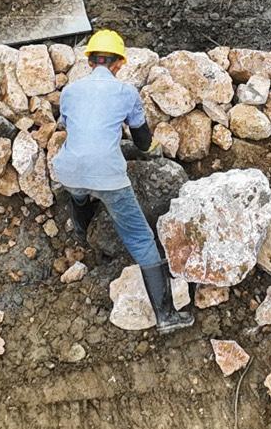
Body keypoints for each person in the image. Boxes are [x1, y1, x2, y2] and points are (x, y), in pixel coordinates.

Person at [52, 27, 192, 331]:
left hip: (67, 171)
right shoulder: (126, 92)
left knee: (78, 191)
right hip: (109, 177)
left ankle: (80, 227)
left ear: (90, 62)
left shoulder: (70, 91)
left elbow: (67, 127)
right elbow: (142, 141)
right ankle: (166, 315)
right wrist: (150, 149)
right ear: (118, 64)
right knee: (141, 238)